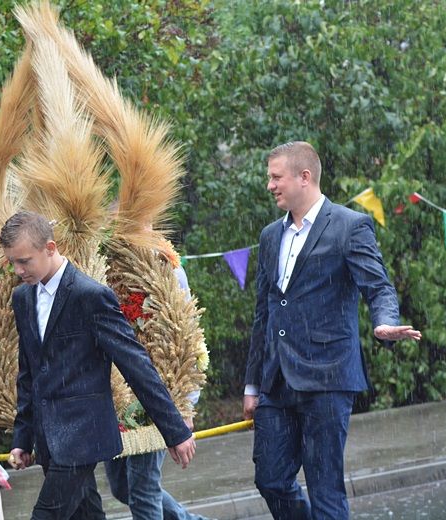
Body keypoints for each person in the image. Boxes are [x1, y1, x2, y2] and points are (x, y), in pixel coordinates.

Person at [243, 142, 422, 519]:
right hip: (276, 380)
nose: (270, 185)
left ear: (304, 177)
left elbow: (379, 287)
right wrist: (252, 384)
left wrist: (383, 321)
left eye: (276, 177)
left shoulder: (349, 226)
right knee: (271, 480)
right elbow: (265, 312)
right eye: (269, 178)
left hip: (328, 377)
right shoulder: (269, 236)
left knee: (326, 490)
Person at [2, 211, 196, 520]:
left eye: (24, 261)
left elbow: (135, 365)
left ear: (50, 248)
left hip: (83, 436)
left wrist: (174, 430)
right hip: (49, 441)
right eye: (12, 261)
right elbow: (29, 374)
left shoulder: (90, 296)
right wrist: (22, 438)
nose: (18, 269)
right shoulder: (22, 297)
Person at [104, 264, 212, 520]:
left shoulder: (166, 266)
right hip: (117, 395)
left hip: (158, 396)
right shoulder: (104, 262)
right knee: (122, 487)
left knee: (143, 491)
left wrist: (184, 405)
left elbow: (188, 338)